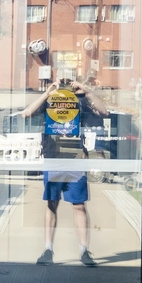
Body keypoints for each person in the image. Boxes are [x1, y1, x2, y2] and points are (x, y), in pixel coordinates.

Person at [20, 78, 109, 267]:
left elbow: (104, 112)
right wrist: (47, 92)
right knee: (52, 204)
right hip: (53, 159)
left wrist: (86, 90)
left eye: (69, 85)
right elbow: (26, 113)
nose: (65, 89)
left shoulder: (79, 104)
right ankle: (48, 249)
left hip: (75, 160)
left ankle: (84, 251)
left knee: (79, 206)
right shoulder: (50, 102)